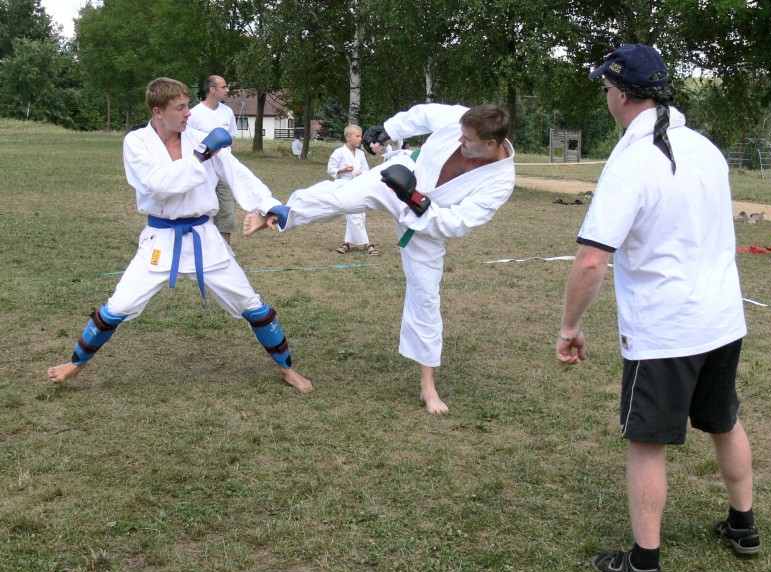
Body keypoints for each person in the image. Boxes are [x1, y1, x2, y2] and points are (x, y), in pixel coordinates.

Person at [556, 44, 760, 572]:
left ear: (623, 94)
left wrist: (569, 327)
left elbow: (592, 259)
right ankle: (744, 527)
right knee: (724, 420)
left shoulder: (632, 162)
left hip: (666, 329)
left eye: (606, 89)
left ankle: (645, 562)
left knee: (647, 441)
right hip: (721, 318)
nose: (605, 98)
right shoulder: (706, 149)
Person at [244, 103, 515, 414]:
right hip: (401, 176)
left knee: (426, 295)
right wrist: (390, 130)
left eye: (467, 140)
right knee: (342, 197)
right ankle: (279, 214)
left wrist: (414, 199)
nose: (460, 140)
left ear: (490, 144)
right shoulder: (460, 120)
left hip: (428, 219)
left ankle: (428, 386)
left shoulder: (500, 181)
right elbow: (423, 114)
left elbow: (457, 223)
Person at [47, 77, 312, 393]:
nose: (189, 113)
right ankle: (76, 363)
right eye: (181, 108)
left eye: (188, 106)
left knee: (251, 303)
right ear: (158, 111)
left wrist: (268, 206)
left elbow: (238, 174)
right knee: (118, 306)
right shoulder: (137, 142)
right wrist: (199, 157)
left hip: (204, 237)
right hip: (161, 240)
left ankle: (286, 368)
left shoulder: (200, 139)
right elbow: (159, 184)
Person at [187, 75, 239, 245]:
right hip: (204, 169)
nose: (227, 90)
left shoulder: (227, 112)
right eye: (223, 87)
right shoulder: (194, 114)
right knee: (201, 209)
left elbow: (230, 139)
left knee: (226, 212)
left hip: (224, 169)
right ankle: (201, 248)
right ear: (212, 89)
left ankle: (225, 251)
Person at [327, 124, 380, 256]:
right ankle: (367, 244)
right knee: (354, 215)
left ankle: (347, 243)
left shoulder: (360, 154)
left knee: (359, 214)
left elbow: (366, 170)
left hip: (358, 186)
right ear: (348, 137)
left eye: (361, 136)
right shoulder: (339, 152)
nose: (360, 139)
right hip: (344, 186)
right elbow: (330, 169)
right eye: (357, 136)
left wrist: (361, 174)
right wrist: (343, 170)